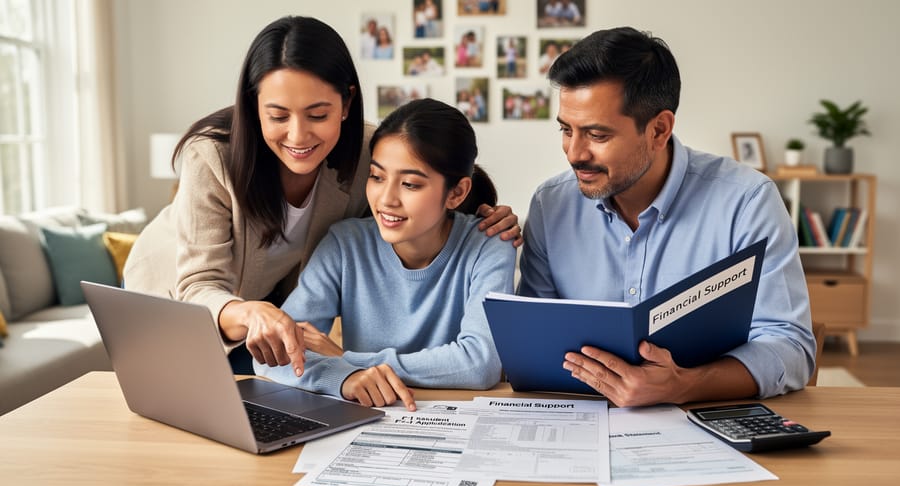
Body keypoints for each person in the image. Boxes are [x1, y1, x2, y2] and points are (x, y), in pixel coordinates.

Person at [124, 16, 521, 377]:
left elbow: (428, 171)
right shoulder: (212, 157)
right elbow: (200, 284)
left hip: (270, 311)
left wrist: (486, 214)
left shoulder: (367, 151)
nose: (298, 136)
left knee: (269, 396)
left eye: (317, 115)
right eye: (278, 116)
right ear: (253, 105)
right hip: (178, 299)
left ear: (346, 103)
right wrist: (250, 313)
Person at [518, 27, 815, 407]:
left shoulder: (746, 201)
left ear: (659, 129)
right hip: (577, 426)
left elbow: (791, 347)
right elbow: (533, 343)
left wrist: (683, 385)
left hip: (705, 422)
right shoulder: (550, 205)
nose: (574, 153)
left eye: (597, 135)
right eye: (566, 130)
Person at [255, 98, 516, 411]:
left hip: (455, 417)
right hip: (369, 415)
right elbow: (272, 355)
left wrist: (346, 359)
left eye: (409, 184)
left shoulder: (490, 243)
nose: (386, 199)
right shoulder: (345, 244)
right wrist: (343, 378)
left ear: (457, 192)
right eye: (377, 177)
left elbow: (479, 364)